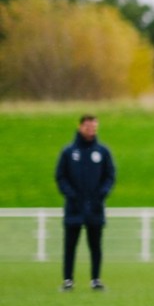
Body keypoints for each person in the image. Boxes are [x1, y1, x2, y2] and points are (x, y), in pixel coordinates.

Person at [55, 114, 116, 291]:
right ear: (80, 127)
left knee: (95, 245)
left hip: (95, 207)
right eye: (88, 127)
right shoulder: (68, 152)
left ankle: (95, 279)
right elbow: (60, 176)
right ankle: (68, 280)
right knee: (70, 246)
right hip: (74, 207)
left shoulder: (102, 152)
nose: (91, 131)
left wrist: (101, 194)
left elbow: (110, 176)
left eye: (94, 128)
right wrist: (71, 195)